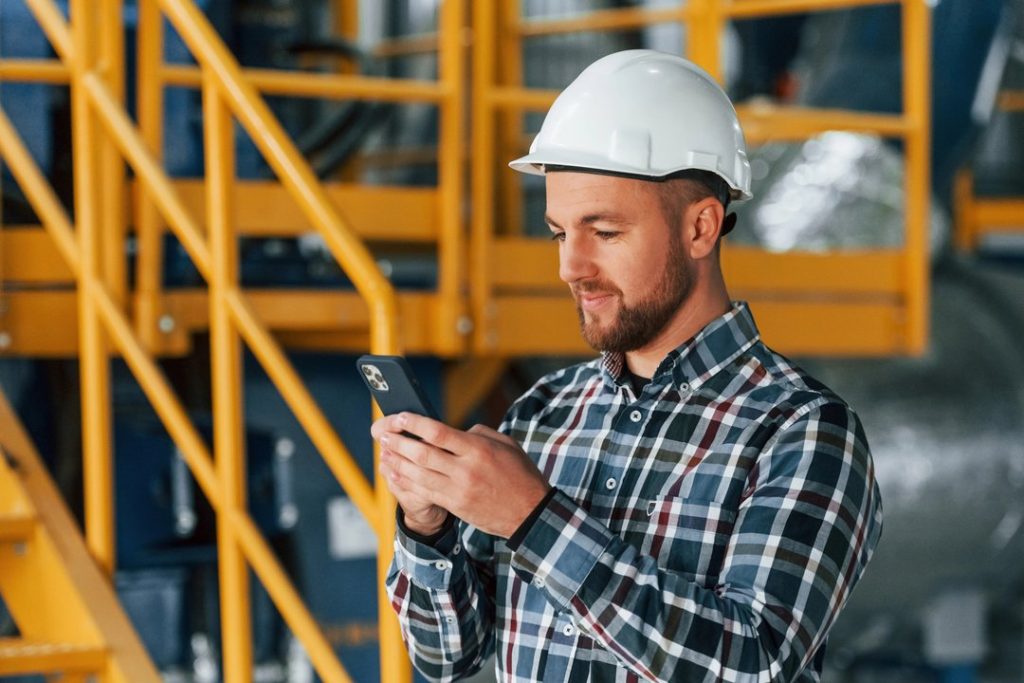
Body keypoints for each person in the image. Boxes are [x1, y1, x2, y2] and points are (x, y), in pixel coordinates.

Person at [372, 50, 882, 682]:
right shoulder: (546, 411)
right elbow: (448, 658)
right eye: (561, 233)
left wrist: (533, 520)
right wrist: (427, 529)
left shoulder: (802, 432)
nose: (570, 267)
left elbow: (755, 665)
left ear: (701, 228)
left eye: (605, 233)